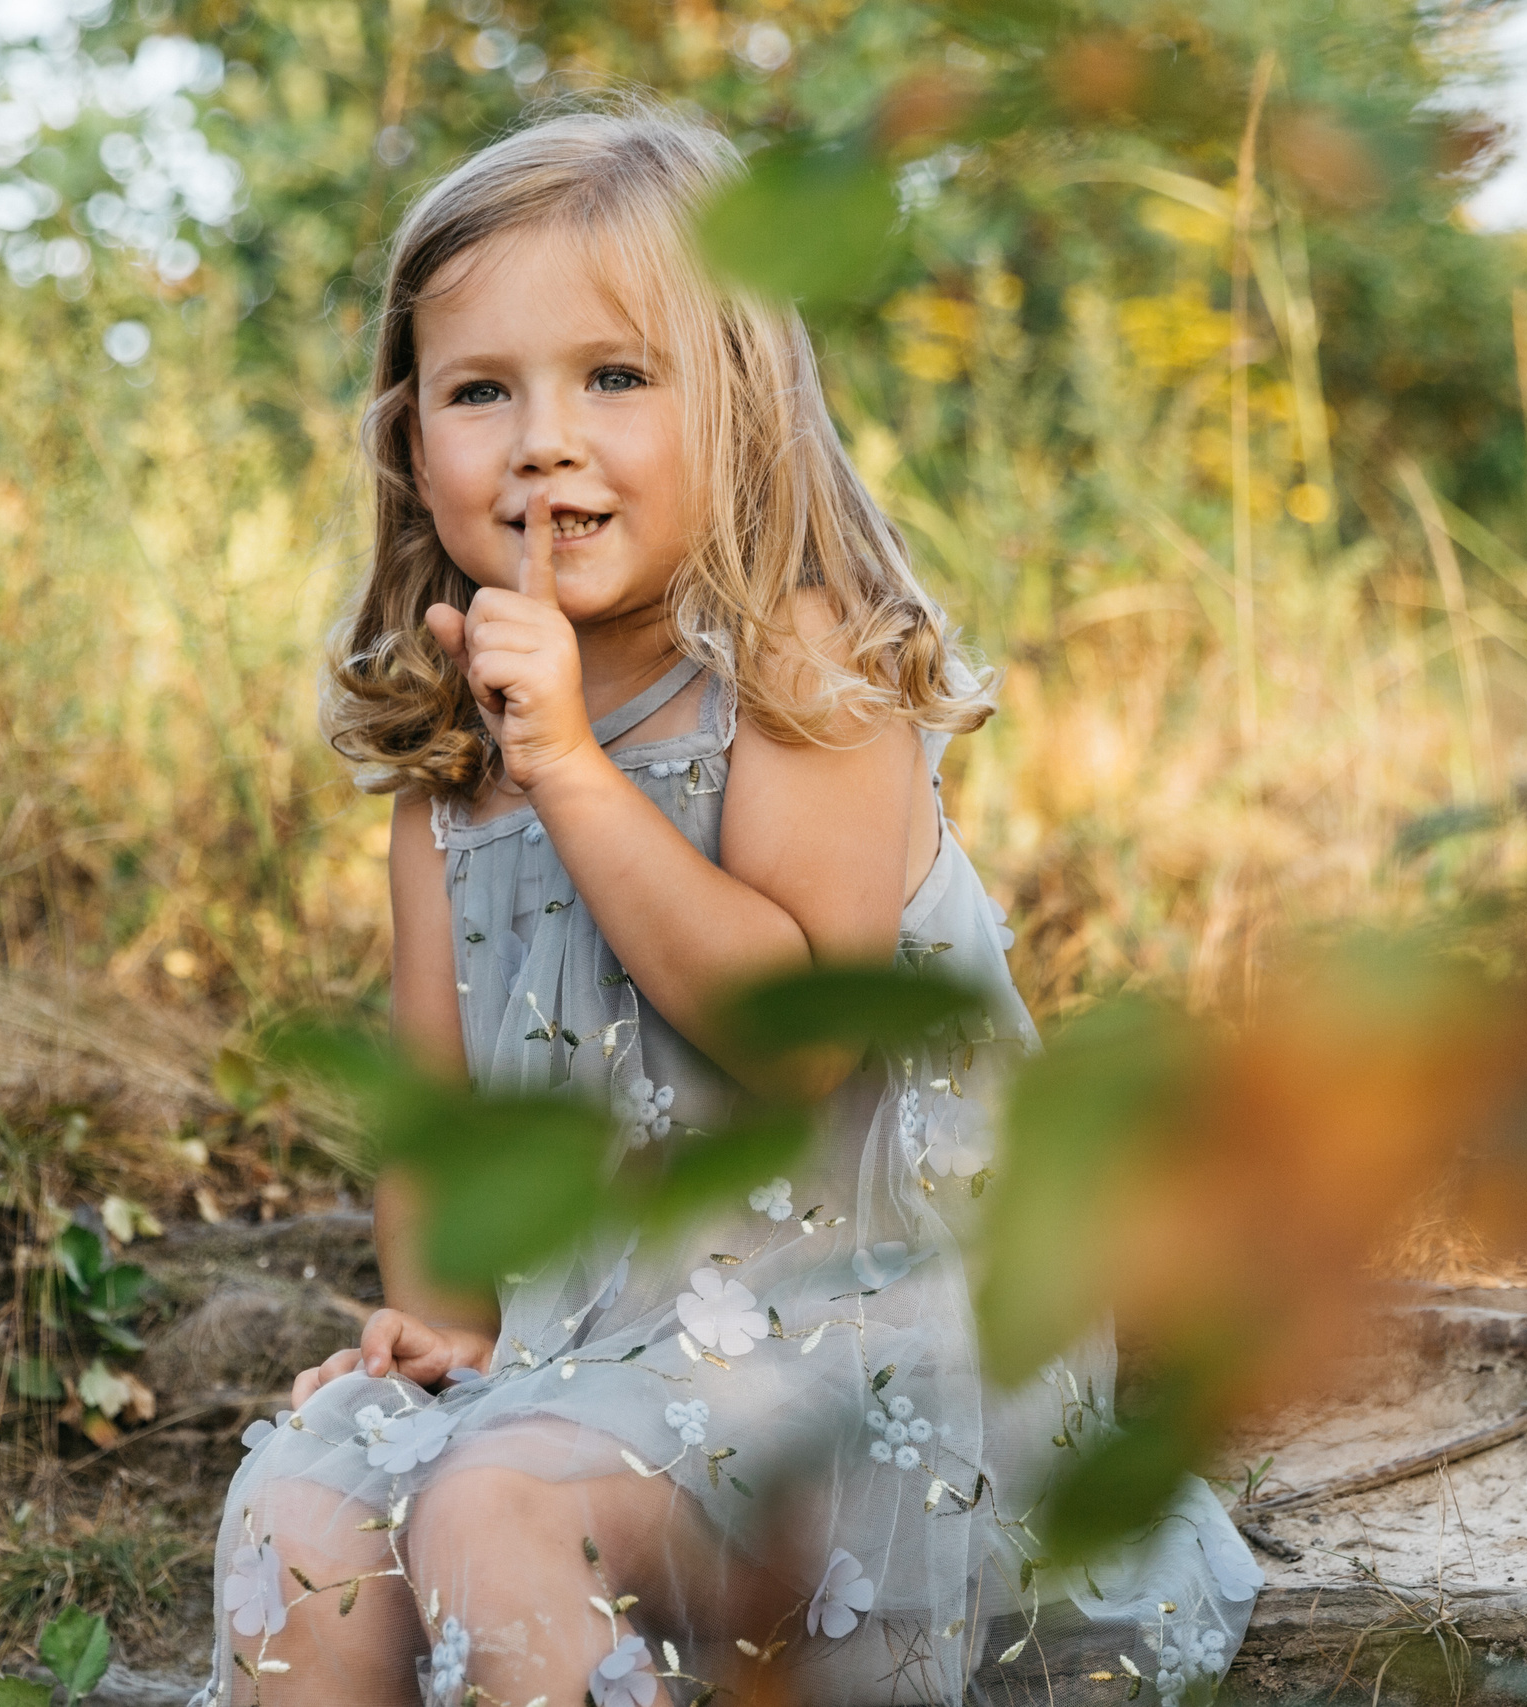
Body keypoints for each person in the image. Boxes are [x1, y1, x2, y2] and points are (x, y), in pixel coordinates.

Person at [190, 99, 1260, 1707]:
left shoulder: (805, 672)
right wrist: (433, 1324)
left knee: (496, 1509)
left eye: (616, 377)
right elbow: (441, 1120)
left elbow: (794, 1046)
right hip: (581, 1359)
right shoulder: (446, 780)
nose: (544, 440)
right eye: (483, 391)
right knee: (303, 1512)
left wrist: (565, 759)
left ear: (745, 406)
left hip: (853, 1352)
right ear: (416, 442)